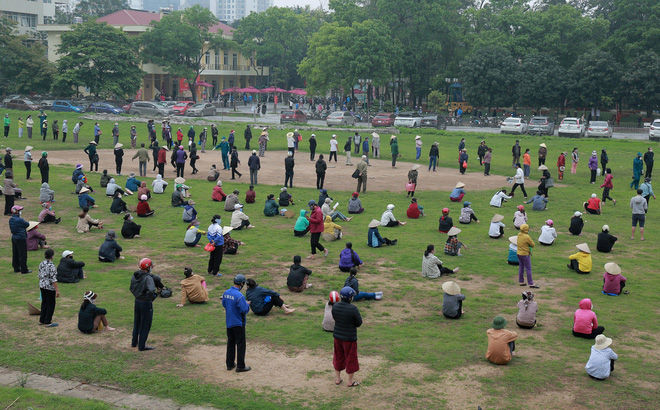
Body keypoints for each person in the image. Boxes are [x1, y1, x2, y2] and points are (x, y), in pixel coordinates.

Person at [332, 286, 363, 387]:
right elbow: (359, 323)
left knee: (338, 356)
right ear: (350, 298)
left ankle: (337, 379)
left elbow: (334, 318)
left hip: (337, 336)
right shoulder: (353, 309)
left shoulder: (335, 306)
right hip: (349, 338)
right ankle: (350, 381)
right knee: (351, 358)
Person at [223, 274, 251, 372]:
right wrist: (247, 305)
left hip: (229, 322)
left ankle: (229, 364)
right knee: (240, 344)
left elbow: (224, 304)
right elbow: (244, 310)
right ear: (242, 283)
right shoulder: (239, 295)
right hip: (239, 323)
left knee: (230, 343)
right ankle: (240, 366)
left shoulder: (226, 293)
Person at [130, 258, 160, 351]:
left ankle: (134, 343)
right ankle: (142, 346)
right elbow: (151, 290)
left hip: (137, 301)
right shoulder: (148, 278)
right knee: (145, 324)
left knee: (137, 323)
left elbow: (131, 288)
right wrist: (151, 297)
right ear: (148, 267)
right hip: (145, 303)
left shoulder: (135, 275)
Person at [38, 249, 59, 327]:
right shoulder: (51, 266)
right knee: (51, 304)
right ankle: (47, 321)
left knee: (44, 302)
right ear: (52, 256)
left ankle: (42, 320)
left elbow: (39, 274)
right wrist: (57, 290)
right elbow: (53, 279)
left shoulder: (41, 263)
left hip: (42, 285)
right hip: (49, 287)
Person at [9, 205, 31, 274]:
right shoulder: (20, 220)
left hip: (14, 237)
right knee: (23, 254)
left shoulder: (11, 219)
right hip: (21, 238)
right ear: (17, 212)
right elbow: (27, 224)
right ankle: (24, 269)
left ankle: (16, 268)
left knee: (15, 253)